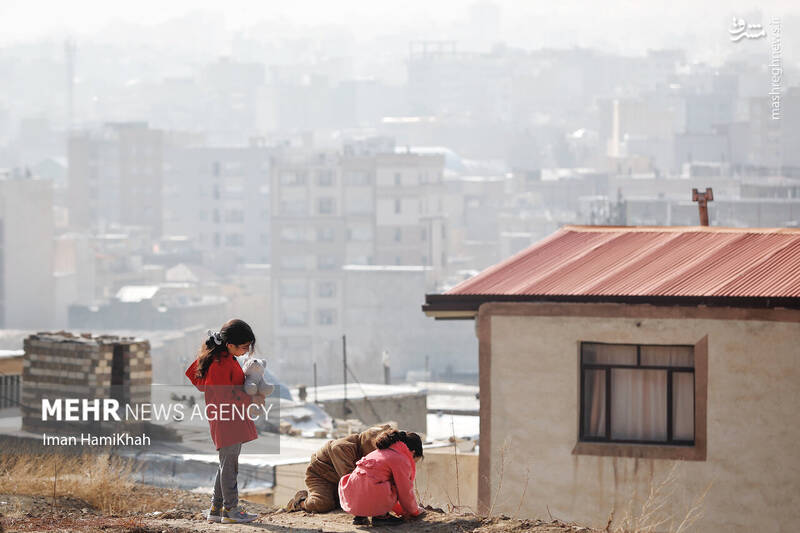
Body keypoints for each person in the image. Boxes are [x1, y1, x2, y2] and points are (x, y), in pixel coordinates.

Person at [185, 319, 263, 524]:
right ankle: (231, 510)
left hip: (228, 418)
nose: (246, 352)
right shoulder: (221, 363)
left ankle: (216, 508)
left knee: (225, 464)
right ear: (230, 345)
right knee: (230, 466)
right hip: (227, 419)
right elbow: (224, 396)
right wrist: (251, 398)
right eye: (244, 347)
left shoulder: (224, 358)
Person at [285, 424, 392, 513]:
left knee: (339, 503)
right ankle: (300, 502)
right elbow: (353, 481)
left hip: (339, 479)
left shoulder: (364, 451)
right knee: (323, 504)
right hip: (321, 476)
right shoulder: (342, 447)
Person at [338, 429, 426, 526]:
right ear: (413, 453)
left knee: (368, 481)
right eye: (414, 461)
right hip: (372, 494)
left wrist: (401, 510)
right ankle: (381, 517)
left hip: (352, 500)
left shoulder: (377, 452)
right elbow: (404, 491)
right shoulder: (400, 459)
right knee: (396, 484)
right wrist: (414, 511)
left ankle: (360, 516)